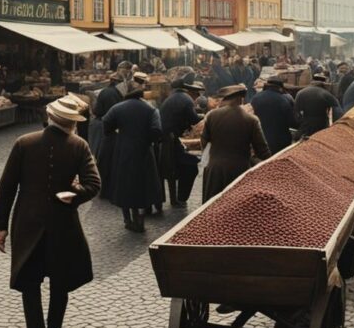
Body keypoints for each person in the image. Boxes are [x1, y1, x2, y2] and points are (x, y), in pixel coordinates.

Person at [0, 98, 100, 328]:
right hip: (62, 223)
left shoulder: (24, 143)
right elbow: (93, 185)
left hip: (27, 221)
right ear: (73, 123)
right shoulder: (79, 145)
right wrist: (74, 193)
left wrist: (1, 226)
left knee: (30, 282)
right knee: (60, 281)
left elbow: (7, 186)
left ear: (49, 117)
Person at [103, 72, 163, 232]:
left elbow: (106, 122)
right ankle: (140, 219)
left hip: (124, 150)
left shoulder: (117, 108)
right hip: (144, 151)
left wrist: (115, 134)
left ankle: (127, 219)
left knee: (124, 185)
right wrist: (148, 141)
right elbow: (157, 130)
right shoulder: (151, 109)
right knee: (143, 185)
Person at [201, 85, 271, 200]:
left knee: (212, 208)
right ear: (241, 99)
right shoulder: (251, 119)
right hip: (239, 170)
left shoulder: (212, 115)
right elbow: (262, 150)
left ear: (226, 99)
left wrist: (211, 157)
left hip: (215, 169)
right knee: (235, 210)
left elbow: (204, 141)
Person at [159, 76, 204, 206]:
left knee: (176, 169)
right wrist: (203, 116)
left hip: (166, 139)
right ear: (189, 90)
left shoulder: (171, 98)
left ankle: (177, 198)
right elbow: (194, 120)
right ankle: (180, 198)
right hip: (171, 141)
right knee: (191, 168)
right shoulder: (186, 99)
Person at [251, 75, 298, 157]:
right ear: (280, 88)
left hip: (260, 140)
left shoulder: (255, 98)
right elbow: (292, 122)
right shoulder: (283, 100)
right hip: (280, 141)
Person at [88, 73, 124, 170]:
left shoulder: (107, 91)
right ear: (117, 82)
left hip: (99, 124)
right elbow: (112, 114)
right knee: (100, 158)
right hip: (102, 126)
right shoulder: (112, 93)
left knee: (96, 155)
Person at [294, 74, 344, 138]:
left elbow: (296, 113)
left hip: (306, 125)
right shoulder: (326, 94)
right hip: (321, 125)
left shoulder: (300, 93)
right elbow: (338, 113)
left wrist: (301, 122)